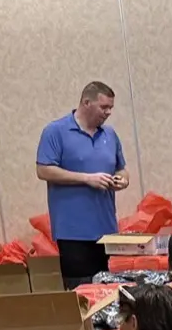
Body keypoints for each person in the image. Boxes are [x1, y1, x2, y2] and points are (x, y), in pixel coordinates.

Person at [36, 81, 131, 286]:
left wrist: (122, 180)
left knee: (110, 289)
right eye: (104, 107)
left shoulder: (110, 135)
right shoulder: (55, 131)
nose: (108, 112)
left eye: (111, 108)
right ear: (86, 103)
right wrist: (87, 178)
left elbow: (122, 169)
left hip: (107, 229)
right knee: (81, 291)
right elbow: (43, 170)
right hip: (73, 231)